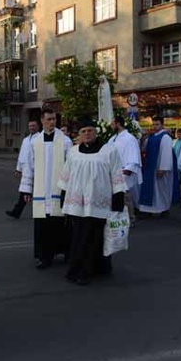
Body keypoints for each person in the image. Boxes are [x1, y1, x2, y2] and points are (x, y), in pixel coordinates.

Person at [59, 117, 126, 285]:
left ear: (96, 132)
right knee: (77, 236)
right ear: (79, 135)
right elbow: (67, 175)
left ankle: (87, 270)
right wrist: (63, 197)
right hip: (76, 203)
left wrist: (118, 200)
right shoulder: (73, 152)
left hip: (99, 202)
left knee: (94, 237)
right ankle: (75, 268)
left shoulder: (109, 151)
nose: (87, 134)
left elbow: (116, 176)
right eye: (83, 131)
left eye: (90, 130)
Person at [19, 107, 72, 269]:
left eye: (54, 119)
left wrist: (69, 188)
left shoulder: (65, 141)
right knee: (42, 224)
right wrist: (26, 189)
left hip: (58, 189)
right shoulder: (35, 143)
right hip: (41, 191)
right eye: (48, 119)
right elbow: (29, 167)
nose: (52, 122)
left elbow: (70, 166)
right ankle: (43, 256)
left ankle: (62, 253)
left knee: (59, 223)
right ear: (42, 120)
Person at [139, 116, 179, 217]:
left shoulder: (165, 137)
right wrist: (144, 137)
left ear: (162, 125)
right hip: (150, 167)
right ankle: (149, 209)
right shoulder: (151, 136)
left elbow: (166, 153)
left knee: (161, 190)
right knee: (150, 189)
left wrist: (163, 168)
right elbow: (144, 148)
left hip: (159, 167)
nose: (155, 126)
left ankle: (164, 209)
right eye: (153, 124)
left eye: (157, 124)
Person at [107, 116, 142, 225]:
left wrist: (126, 171)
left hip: (124, 172)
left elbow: (132, 157)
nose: (111, 126)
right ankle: (119, 218)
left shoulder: (129, 138)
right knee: (117, 197)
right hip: (113, 172)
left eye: (112, 124)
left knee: (126, 197)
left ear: (118, 124)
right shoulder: (113, 138)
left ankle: (131, 218)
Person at [6, 120, 39, 219]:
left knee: (38, 193)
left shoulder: (40, 138)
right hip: (27, 170)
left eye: (33, 126)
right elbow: (22, 155)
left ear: (38, 126)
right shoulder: (25, 140)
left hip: (37, 170)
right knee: (25, 192)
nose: (32, 127)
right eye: (30, 126)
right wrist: (18, 168)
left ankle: (41, 212)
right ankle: (16, 212)